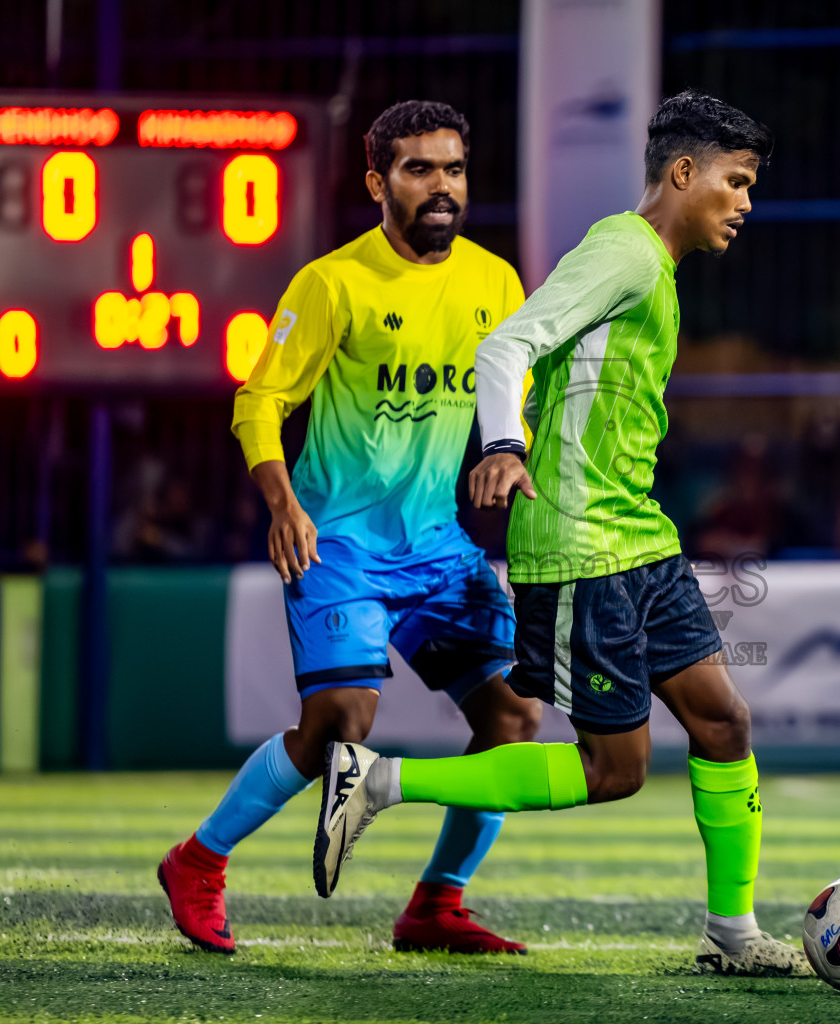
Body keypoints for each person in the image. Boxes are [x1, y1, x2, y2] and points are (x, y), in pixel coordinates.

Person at [314, 91, 807, 977]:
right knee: (613, 770)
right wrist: (504, 444)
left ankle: (733, 935)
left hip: (638, 538)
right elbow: (506, 348)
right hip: (582, 544)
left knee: (724, 723)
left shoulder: (651, 262)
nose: (744, 203)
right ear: (683, 173)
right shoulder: (623, 251)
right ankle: (378, 780)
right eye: (734, 183)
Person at [158, 100, 543, 957]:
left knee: (513, 720)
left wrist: (511, 449)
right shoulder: (332, 283)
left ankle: (436, 905)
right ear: (378, 181)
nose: (441, 187)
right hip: (340, 546)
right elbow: (259, 400)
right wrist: (283, 501)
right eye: (418, 170)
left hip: (441, 548)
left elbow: (513, 395)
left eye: (453, 169)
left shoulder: (495, 281)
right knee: (340, 720)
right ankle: (197, 861)